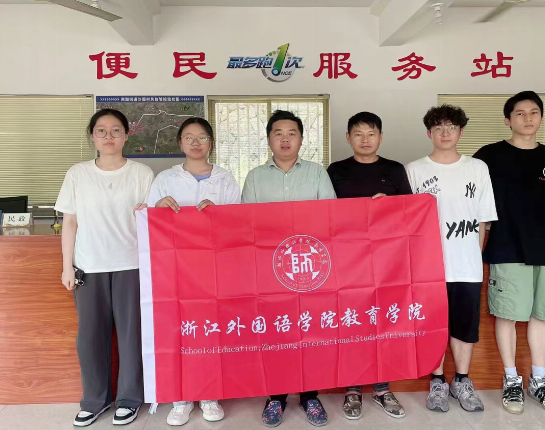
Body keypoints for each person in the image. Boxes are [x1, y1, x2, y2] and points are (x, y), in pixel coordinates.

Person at [473, 91, 545, 416]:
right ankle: (511, 379)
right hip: (507, 245)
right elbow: (472, 199)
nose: (527, 118)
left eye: (534, 112)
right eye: (520, 113)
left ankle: (539, 380)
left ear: (541, 117)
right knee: (508, 314)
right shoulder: (489, 155)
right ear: (507, 119)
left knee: (543, 314)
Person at [56, 109, 154, 427]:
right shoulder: (77, 173)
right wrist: (67, 267)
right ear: (93, 137)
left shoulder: (142, 174)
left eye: (115, 130)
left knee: (131, 336)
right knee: (90, 338)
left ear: (126, 135)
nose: (108, 136)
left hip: (131, 265)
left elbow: (152, 221)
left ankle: (129, 400)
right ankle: (94, 401)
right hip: (89, 265)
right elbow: (70, 223)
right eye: (101, 131)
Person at [141, 117, 240, 426]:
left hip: (214, 270)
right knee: (179, 331)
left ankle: (210, 394)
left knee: (210, 331)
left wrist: (220, 215)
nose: (196, 143)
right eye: (189, 137)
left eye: (202, 137)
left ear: (211, 142)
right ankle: (180, 397)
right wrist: (158, 207)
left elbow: (239, 223)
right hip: (175, 271)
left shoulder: (225, 179)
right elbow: (146, 221)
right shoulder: (165, 179)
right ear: (180, 143)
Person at [242, 110, 336, 427]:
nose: (285, 139)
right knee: (277, 332)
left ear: (301, 139)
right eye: (278, 133)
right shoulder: (255, 177)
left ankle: (310, 396)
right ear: (269, 139)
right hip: (270, 269)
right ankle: (276, 398)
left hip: (310, 268)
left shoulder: (317, 173)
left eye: (291, 133)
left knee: (310, 332)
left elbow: (330, 217)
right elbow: (247, 225)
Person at [406, 104, 497, 414]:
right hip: (427, 267)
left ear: (461, 131)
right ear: (429, 133)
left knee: (464, 327)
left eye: (451, 127)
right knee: (432, 325)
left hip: (466, 265)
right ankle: (437, 382)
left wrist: (474, 256)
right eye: (438, 127)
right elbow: (406, 221)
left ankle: (462, 381)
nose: (445, 133)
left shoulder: (478, 168)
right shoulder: (413, 170)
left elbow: (483, 220)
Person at [326, 111, 410, 420]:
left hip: (386, 262)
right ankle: (352, 389)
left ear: (380, 138)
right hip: (346, 260)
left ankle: (382, 387)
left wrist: (390, 206)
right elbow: (324, 213)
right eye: (358, 134)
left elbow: (410, 212)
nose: (365, 139)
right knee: (351, 322)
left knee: (382, 322)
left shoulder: (395, 170)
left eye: (371, 134)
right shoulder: (335, 171)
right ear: (348, 138)